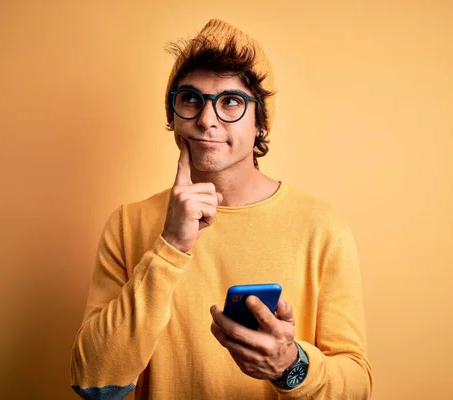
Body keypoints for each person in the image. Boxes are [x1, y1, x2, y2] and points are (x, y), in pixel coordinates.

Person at [70, 18, 373, 400]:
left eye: (230, 101)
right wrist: (171, 246)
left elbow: (358, 385)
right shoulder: (128, 224)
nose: (206, 119)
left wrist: (290, 365)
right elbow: (95, 383)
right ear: (172, 116)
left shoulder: (323, 228)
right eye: (190, 99)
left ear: (261, 123)